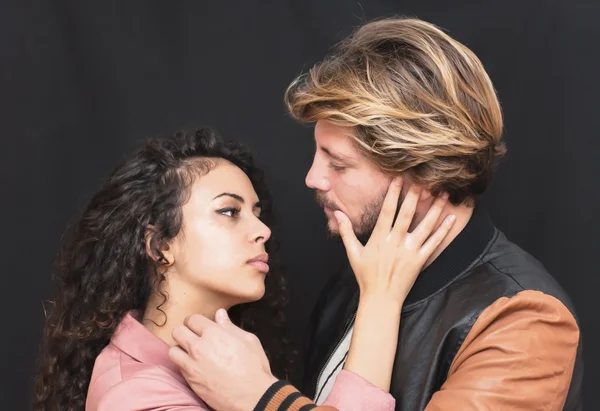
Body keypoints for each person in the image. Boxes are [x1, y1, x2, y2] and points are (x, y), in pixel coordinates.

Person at [168, 17, 583, 411]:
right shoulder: (354, 283)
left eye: (339, 164)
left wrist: (260, 398)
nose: (313, 178)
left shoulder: (524, 321)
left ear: (422, 172)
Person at [33, 128, 455, 411]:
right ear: (160, 244)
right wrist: (380, 299)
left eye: (256, 212)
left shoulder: (224, 358)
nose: (262, 230)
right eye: (229, 212)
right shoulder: (140, 397)